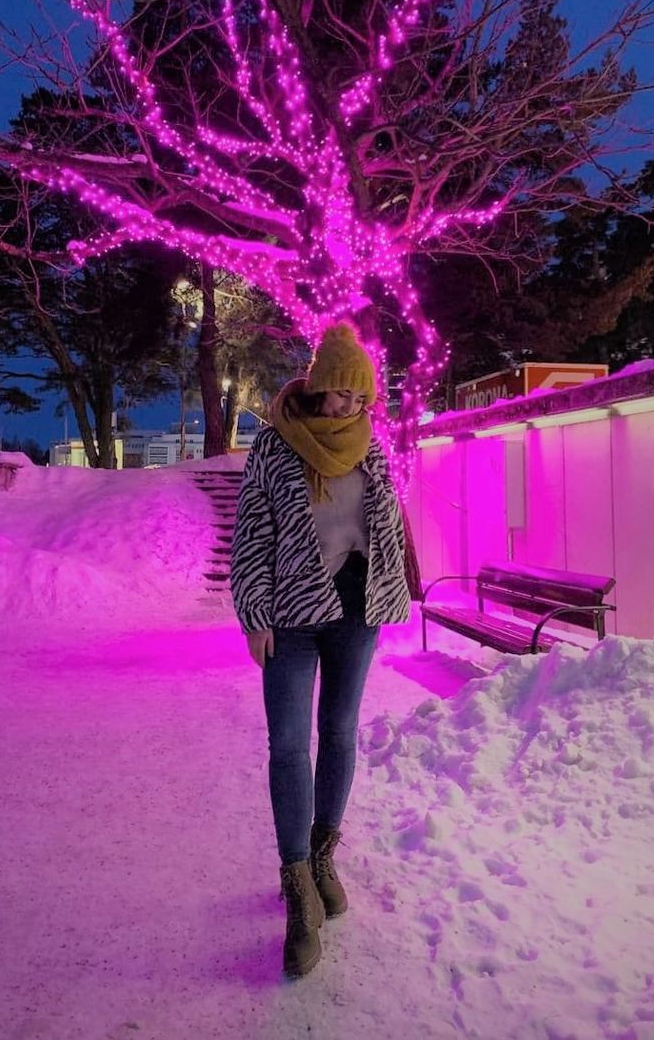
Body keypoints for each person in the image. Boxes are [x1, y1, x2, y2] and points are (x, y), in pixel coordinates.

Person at [230, 322, 411, 978]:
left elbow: (387, 521)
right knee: (287, 743)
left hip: (357, 609)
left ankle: (323, 852)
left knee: (339, 731)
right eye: (343, 396)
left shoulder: (370, 446)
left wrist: (391, 583)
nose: (352, 408)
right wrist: (254, 613)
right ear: (320, 387)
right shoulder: (276, 444)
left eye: (362, 400)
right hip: (291, 614)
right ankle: (298, 885)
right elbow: (252, 533)